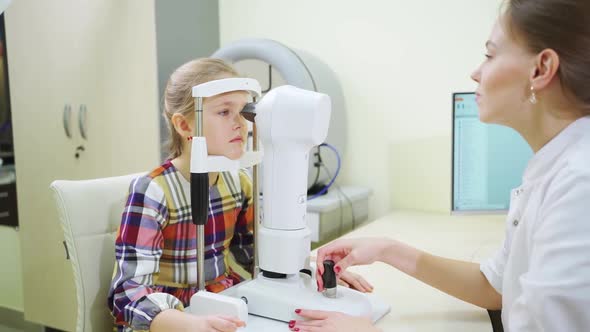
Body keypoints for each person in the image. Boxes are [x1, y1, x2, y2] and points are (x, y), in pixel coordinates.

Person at [292, 0, 590, 331]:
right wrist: (388, 249)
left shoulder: (579, 185)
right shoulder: (557, 167)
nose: (476, 72)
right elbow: (496, 288)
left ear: (541, 68)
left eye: (490, 55)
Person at [107, 58, 253, 332]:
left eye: (244, 111)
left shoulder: (239, 182)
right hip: (169, 317)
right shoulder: (152, 191)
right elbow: (128, 295)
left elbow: (256, 257)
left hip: (220, 302)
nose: (241, 124)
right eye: (224, 112)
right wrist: (191, 325)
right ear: (185, 126)